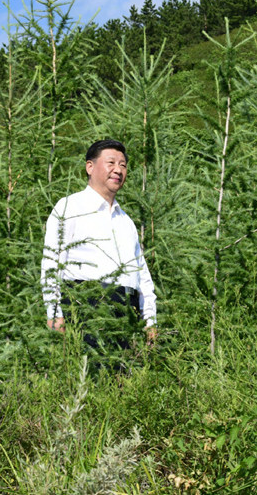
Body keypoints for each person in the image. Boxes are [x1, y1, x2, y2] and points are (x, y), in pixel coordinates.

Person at [41, 139, 157, 354]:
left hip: (127, 311)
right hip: (86, 307)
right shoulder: (69, 207)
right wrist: (54, 313)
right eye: (111, 163)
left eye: (123, 165)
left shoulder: (125, 221)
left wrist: (149, 320)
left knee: (125, 373)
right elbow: (52, 263)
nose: (118, 170)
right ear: (90, 167)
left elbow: (142, 275)